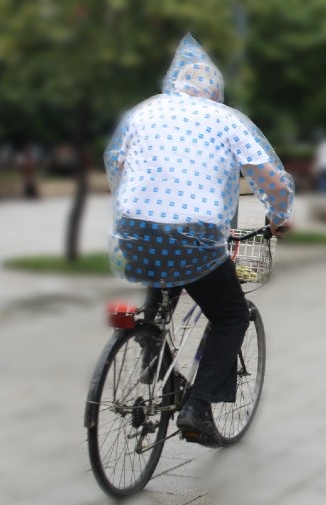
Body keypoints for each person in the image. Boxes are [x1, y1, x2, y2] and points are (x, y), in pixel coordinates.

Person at [104, 34, 294, 446]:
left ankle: (153, 362)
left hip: (135, 229)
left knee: (159, 299)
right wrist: (279, 217)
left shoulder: (143, 111)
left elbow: (115, 162)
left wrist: (134, 200)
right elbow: (271, 178)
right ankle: (198, 407)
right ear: (214, 88)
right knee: (231, 316)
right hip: (194, 235)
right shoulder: (227, 119)